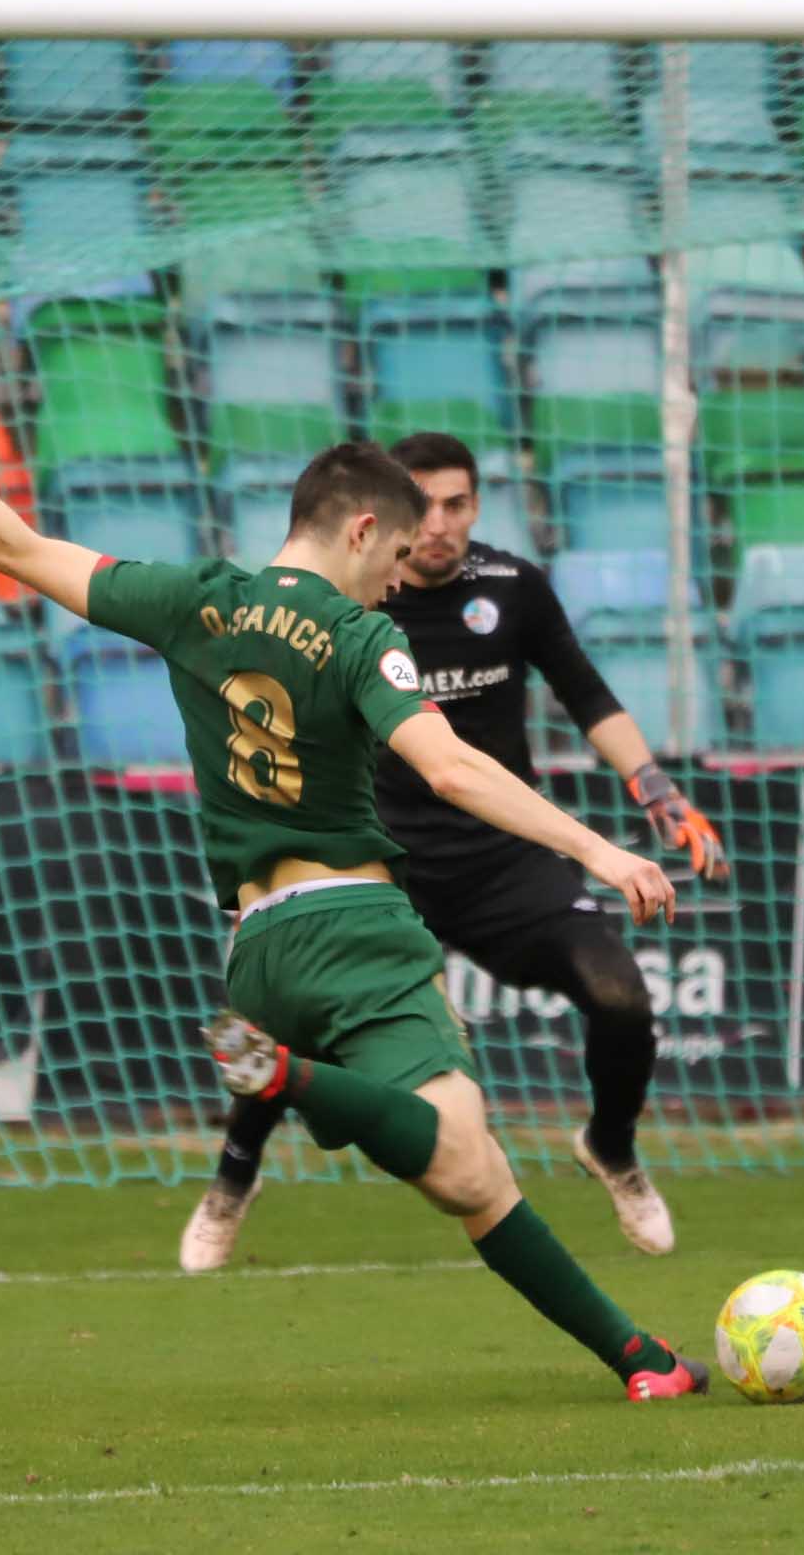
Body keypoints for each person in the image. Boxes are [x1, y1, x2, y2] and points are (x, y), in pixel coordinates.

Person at [0, 331, 709, 1402]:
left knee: (464, 1164)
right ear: (361, 528)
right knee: (467, 1159)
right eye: (394, 557)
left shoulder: (195, 596)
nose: (398, 579)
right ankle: (296, 1080)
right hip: (357, 928)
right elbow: (447, 765)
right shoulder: (362, 636)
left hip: (257, 953)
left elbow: (16, 547)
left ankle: (643, 1359)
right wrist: (596, 843)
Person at [178, 431, 726, 1274]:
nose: (439, 525)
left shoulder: (513, 589)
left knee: (621, 995)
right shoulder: (349, 602)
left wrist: (654, 788)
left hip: (505, 860)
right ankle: (233, 1179)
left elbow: (585, 692)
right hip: (378, 863)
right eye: (423, 506)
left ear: (477, 506)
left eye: (459, 504)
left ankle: (611, 1147)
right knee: (283, 1031)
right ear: (383, 519)